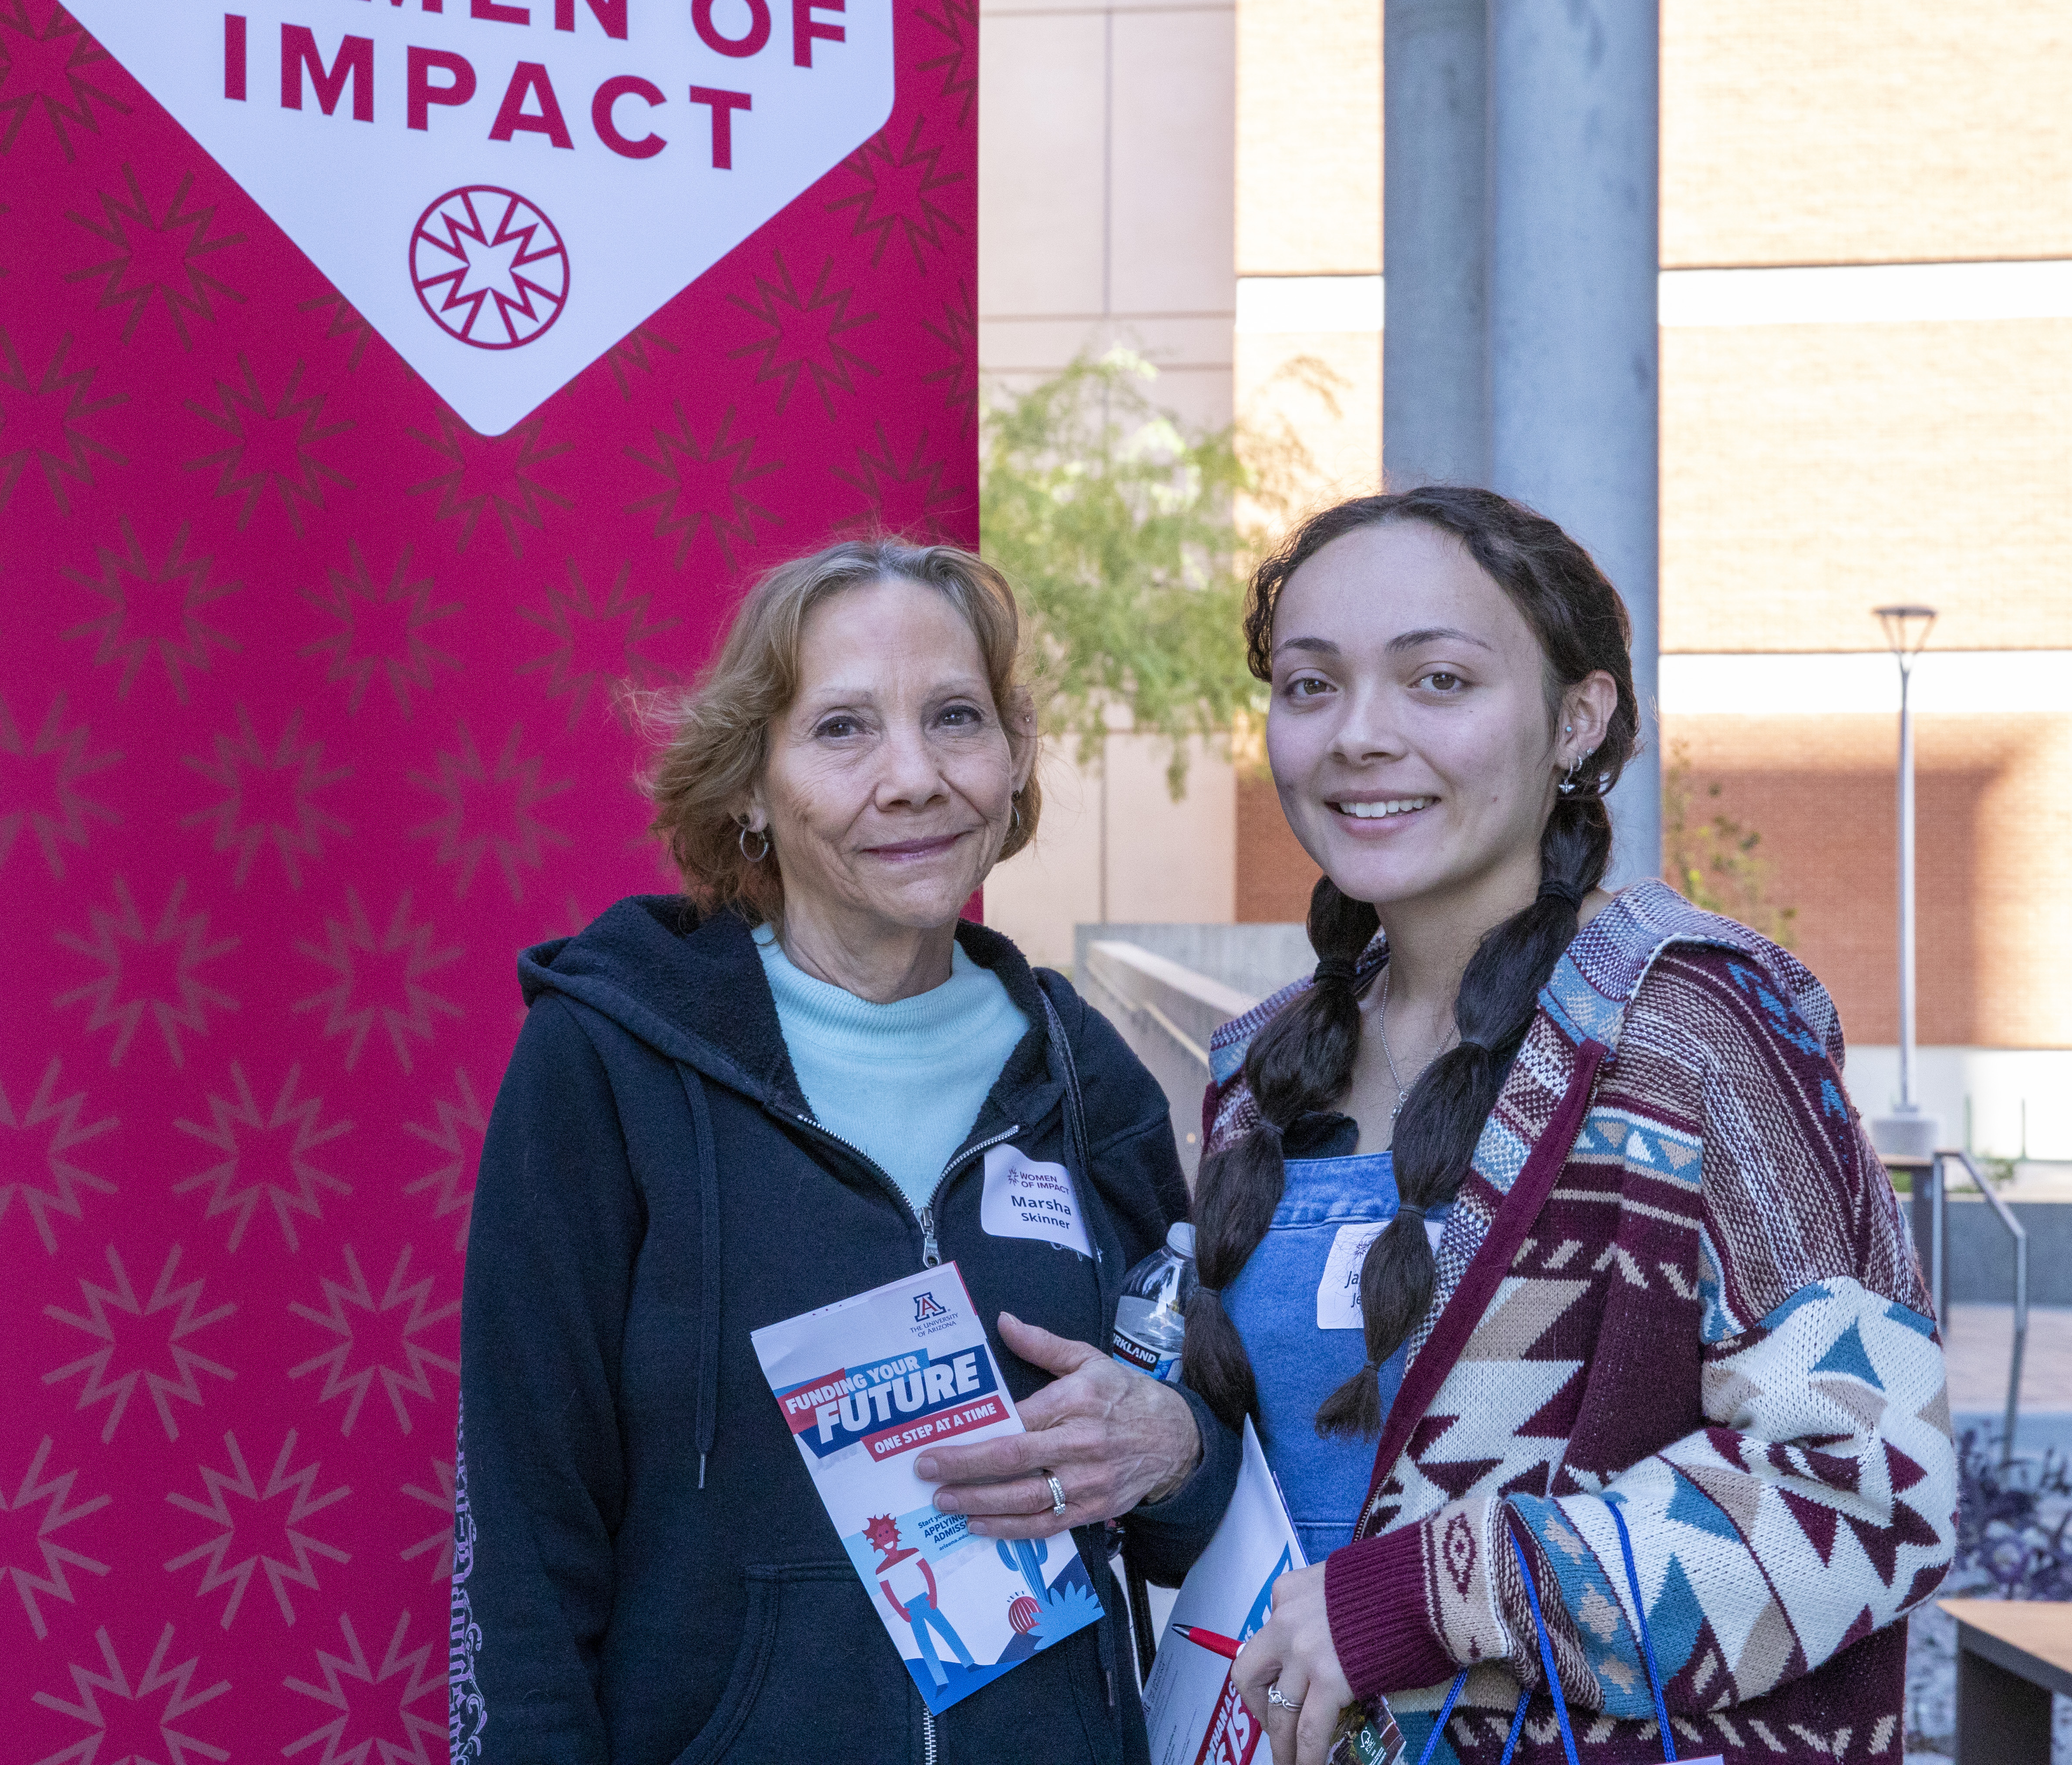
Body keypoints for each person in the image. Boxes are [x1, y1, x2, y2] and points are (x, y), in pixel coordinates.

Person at [1125, 488, 1958, 1764]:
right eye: (1310, 686)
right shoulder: (1258, 1074)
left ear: (1580, 719)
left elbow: (1869, 1485)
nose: (1360, 736)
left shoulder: (1693, 1036)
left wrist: (1431, 1599)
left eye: (1438, 682)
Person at [451, 537, 1241, 1765]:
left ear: (1015, 759)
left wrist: (1176, 1447)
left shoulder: (1091, 1085)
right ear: (752, 787)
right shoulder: (606, 1067)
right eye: (842, 731)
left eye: (956, 719)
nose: (914, 777)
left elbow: (1193, 1530)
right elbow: (524, 1540)